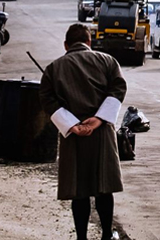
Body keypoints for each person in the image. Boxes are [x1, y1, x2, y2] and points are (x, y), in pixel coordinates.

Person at [43, 23, 126, 240]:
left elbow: (47, 100)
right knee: (103, 187)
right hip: (102, 132)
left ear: (66, 45)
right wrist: (98, 119)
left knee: (78, 189)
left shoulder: (54, 68)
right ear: (89, 42)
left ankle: (81, 237)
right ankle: (106, 234)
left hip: (73, 135)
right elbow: (118, 88)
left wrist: (72, 125)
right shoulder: (108, 61)